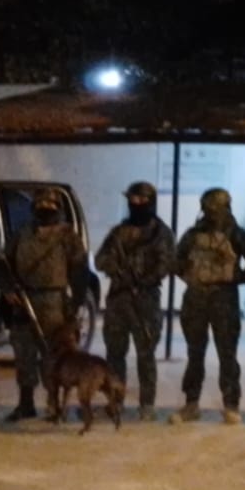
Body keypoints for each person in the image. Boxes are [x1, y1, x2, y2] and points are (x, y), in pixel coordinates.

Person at [0, 186, 88, 422]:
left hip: (54, 303)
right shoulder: (22, 233)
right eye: (40, 204)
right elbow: (1, 264)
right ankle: (25, 404)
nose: (45, 208)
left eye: (49, 205)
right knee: (24, 354)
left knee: (54, 357)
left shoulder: (68, 237)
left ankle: (55, 405)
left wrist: (76, 304)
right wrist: (8, 289)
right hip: (24, 301)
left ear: (57, 208)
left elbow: (80, 271)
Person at [169, 187, 245, 425]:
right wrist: (191, 276)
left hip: (224, 298)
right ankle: (191, 403)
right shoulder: (193, 235)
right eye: (208, 209)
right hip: (196, 298)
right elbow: (176, 261)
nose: (211, 213)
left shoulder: (237, 235)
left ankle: (231, 404)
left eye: (215, 209)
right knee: (195, 354)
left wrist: (237, 277)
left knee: (227, 354)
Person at [94, 180, 175, 421]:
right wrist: (116, 269)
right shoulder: (119, 232)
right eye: (132, 200)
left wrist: (143, 280)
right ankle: (115, 401)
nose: (136, 204)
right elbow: (100, 259)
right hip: (119, 300)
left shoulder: (161, 233)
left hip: (145, 300)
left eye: (141, 200)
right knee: (115, 354)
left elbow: (166, 264)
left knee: (146, 355)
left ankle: (147, 404)